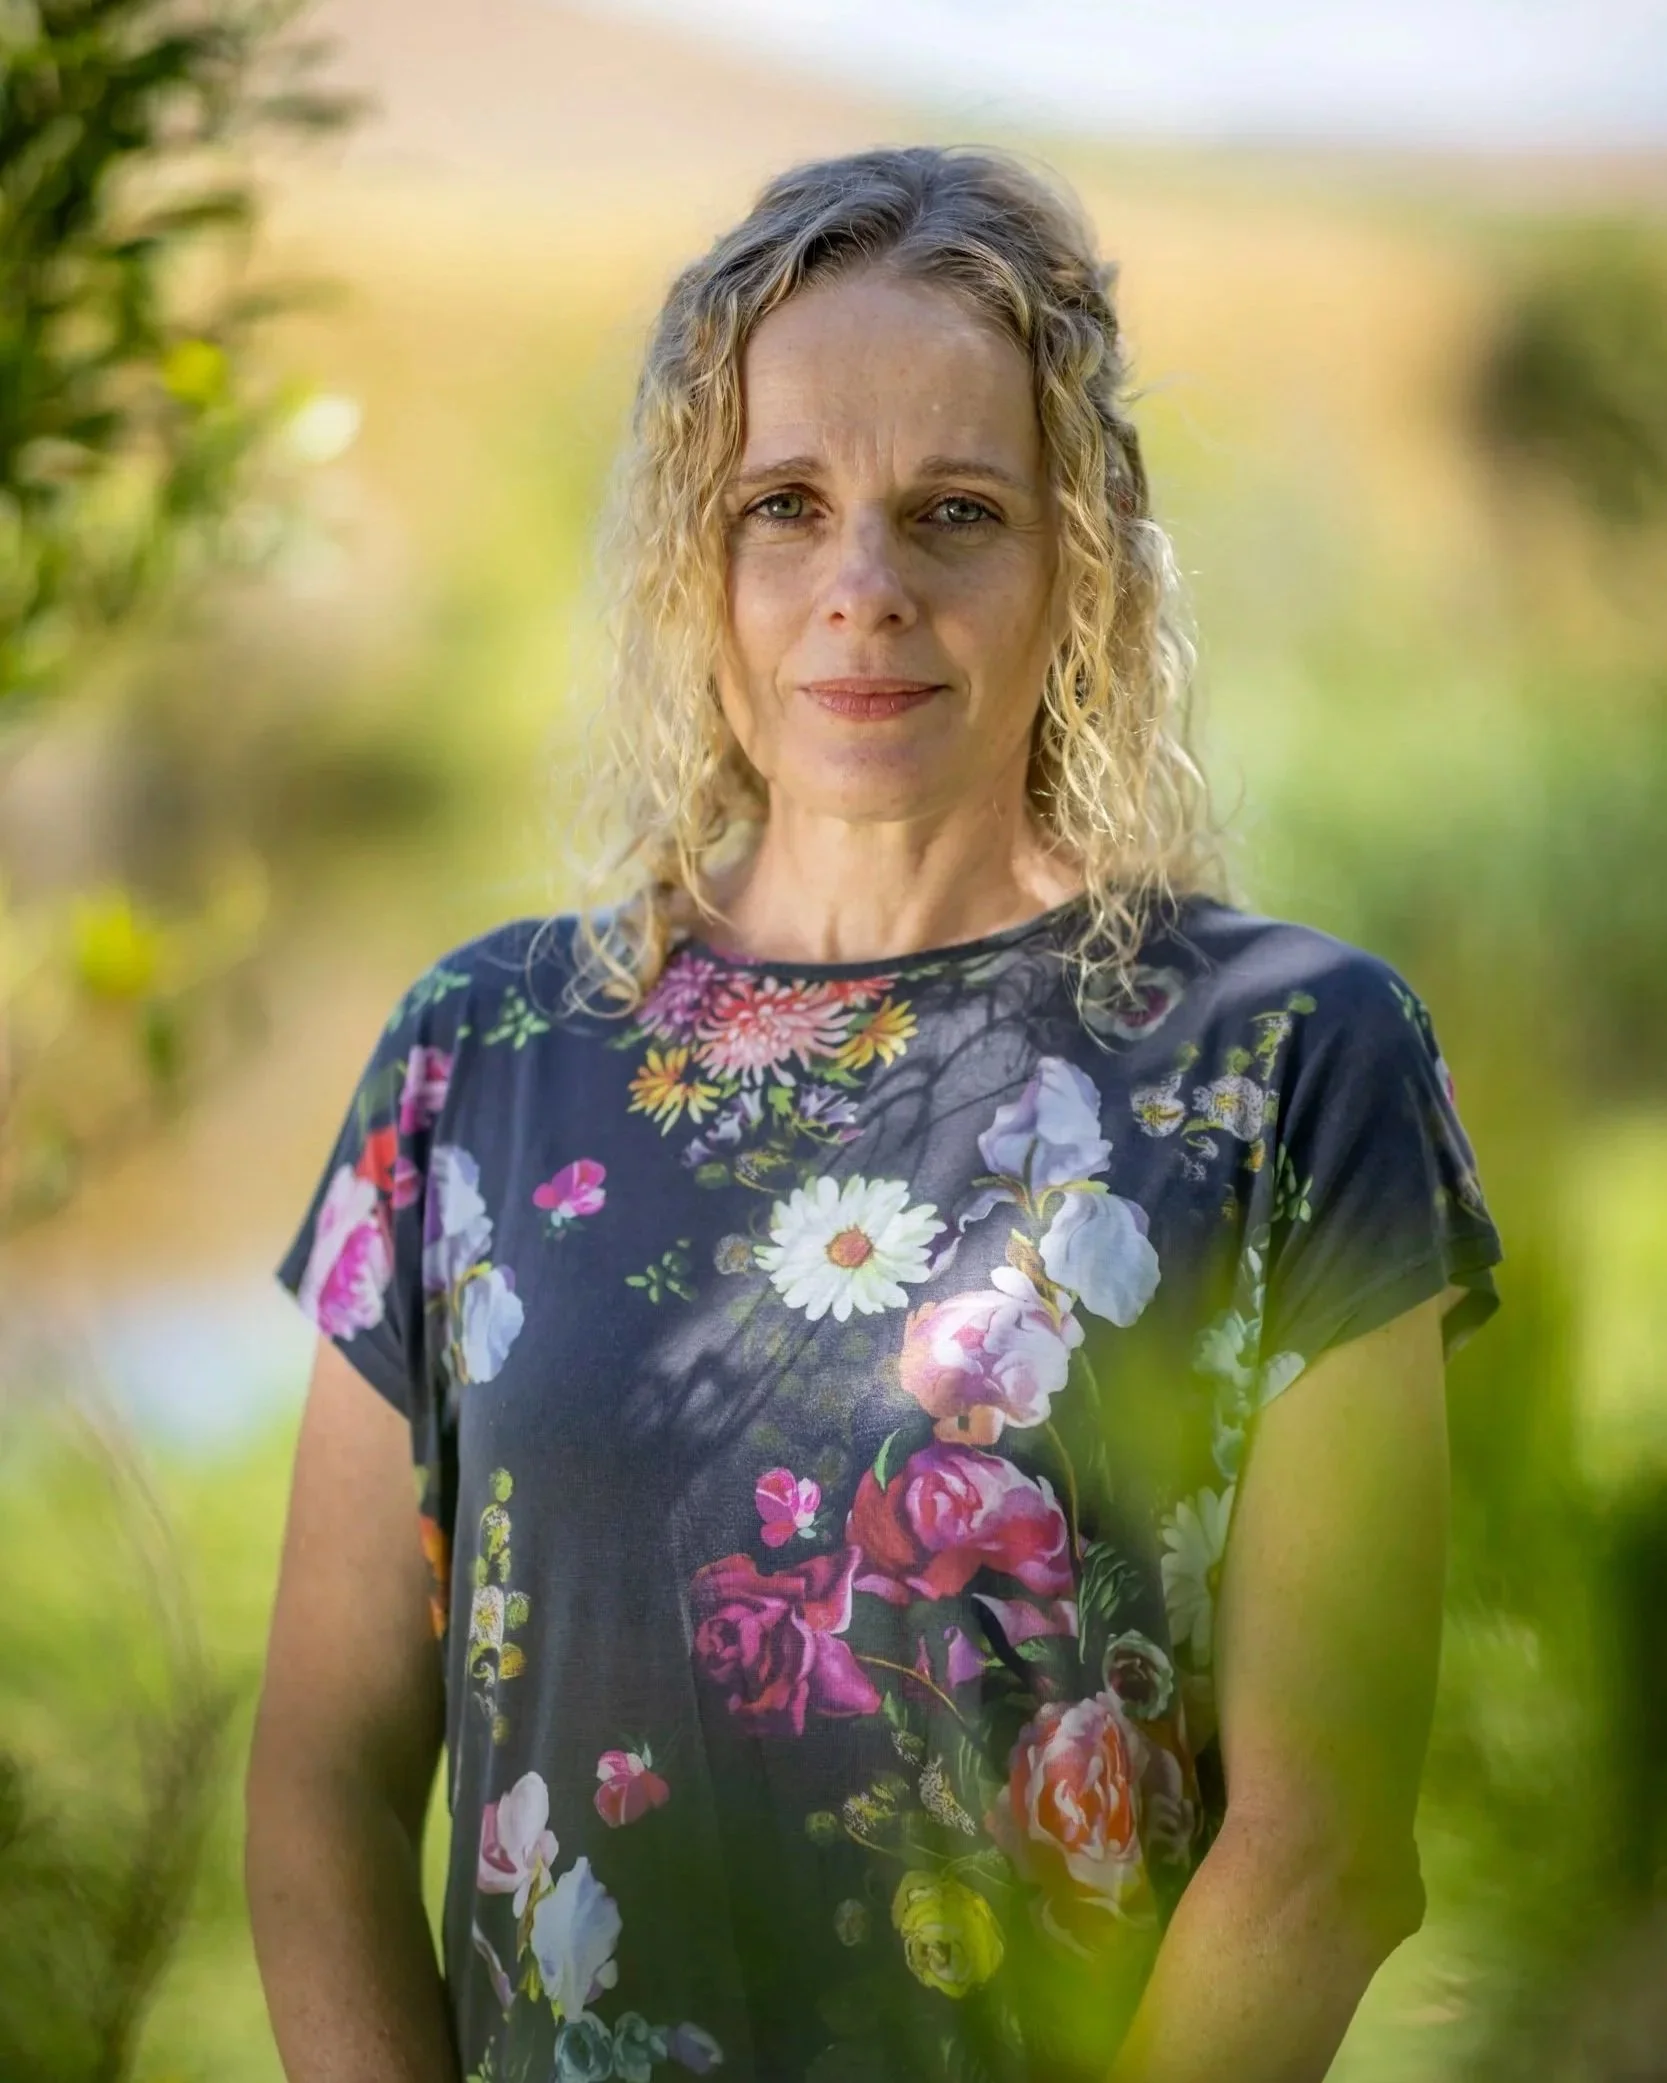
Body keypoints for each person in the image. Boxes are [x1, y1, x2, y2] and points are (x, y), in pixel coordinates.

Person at [246, 145, 1503, 2083]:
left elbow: (1320, 1854)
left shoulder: (1288, 1066)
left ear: (1073, 555)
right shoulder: (468, 1057)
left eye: (952, 513)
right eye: (784, 508)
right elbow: (320, 1799)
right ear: (697, 554)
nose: (863, 592)